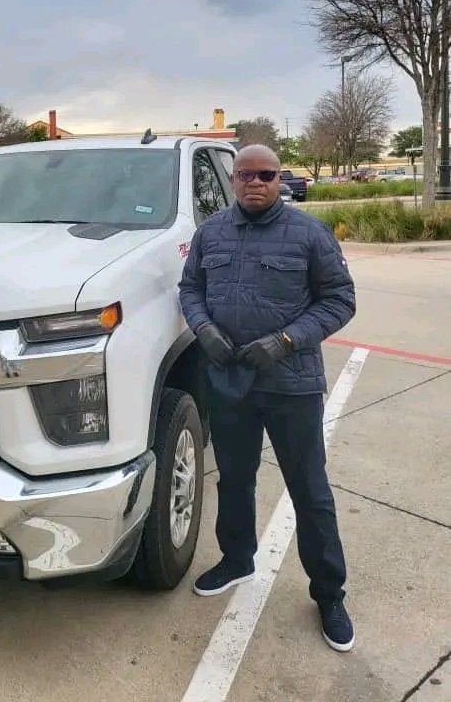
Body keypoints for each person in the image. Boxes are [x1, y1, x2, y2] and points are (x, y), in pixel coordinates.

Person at [178, 144, 357, 652]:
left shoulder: (308, 233)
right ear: (232, 181)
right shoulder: (210, 232)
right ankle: (237, 561)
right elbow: (189, 288)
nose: (255, 182)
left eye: (266, 174)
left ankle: (329, 593)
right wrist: (203, 327)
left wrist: (285, 341)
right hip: (230, 382)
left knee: (310, 491)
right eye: (245, 175)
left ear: (281, 179)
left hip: (291, 386)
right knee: (234, 481)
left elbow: (340, 299)